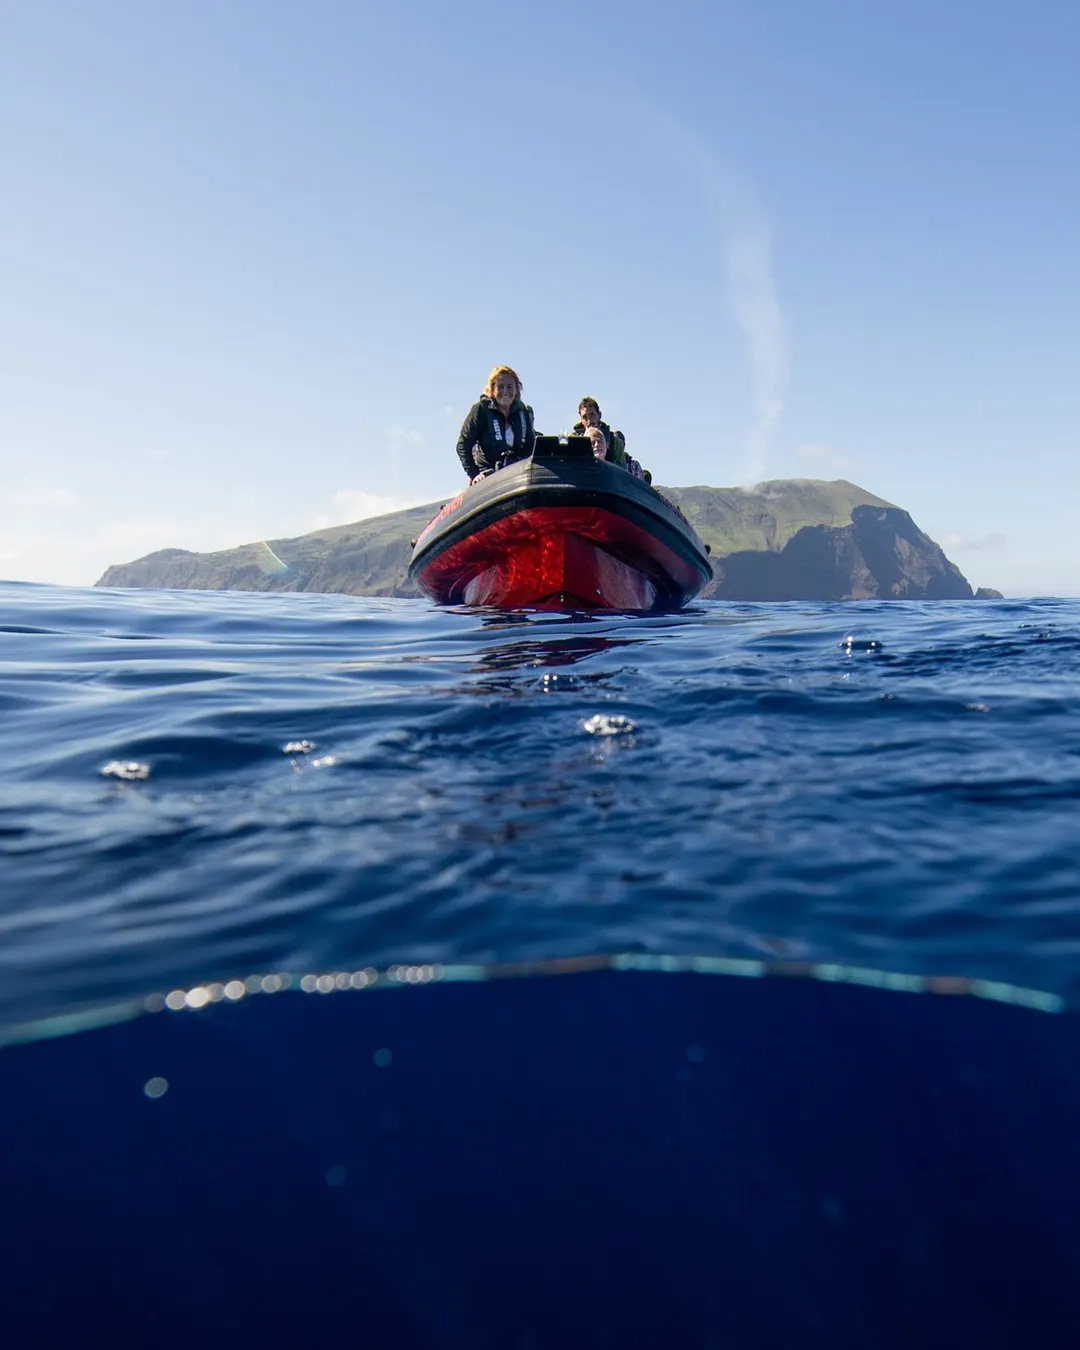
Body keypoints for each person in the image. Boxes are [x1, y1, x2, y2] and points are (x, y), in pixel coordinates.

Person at [455, 366, 536, 482]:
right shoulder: (481, 409)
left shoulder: (524, 412)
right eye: (500, 387)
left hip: (517, 475)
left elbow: (530, 447)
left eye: (510, 387)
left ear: (517, 389)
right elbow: (463, 444)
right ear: (492, 389)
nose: (505, 392)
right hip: (488, 476)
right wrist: (474, 474)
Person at [573, 397, 651, 482]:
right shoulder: (574, 441)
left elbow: (622, 471)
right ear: (580, 419)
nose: (589, 421)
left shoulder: (614, 442)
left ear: (599, 415)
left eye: (592, 415)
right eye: (585, 417)